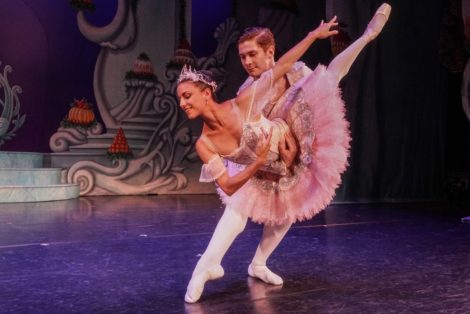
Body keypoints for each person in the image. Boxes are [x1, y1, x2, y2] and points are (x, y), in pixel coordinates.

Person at [178, 3, 392, 303]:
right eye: (242, 57)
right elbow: (248, 134)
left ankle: (259, 263)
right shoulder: (247, 91)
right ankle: (208, 264)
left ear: (270, 51)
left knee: (287, 211)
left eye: (252, 54)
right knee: (238, 209)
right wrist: (266, 153)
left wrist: (352, 36)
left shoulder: (295, 73)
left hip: (290, 147)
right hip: (258, 152)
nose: (248, 62)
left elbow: (327, 75)